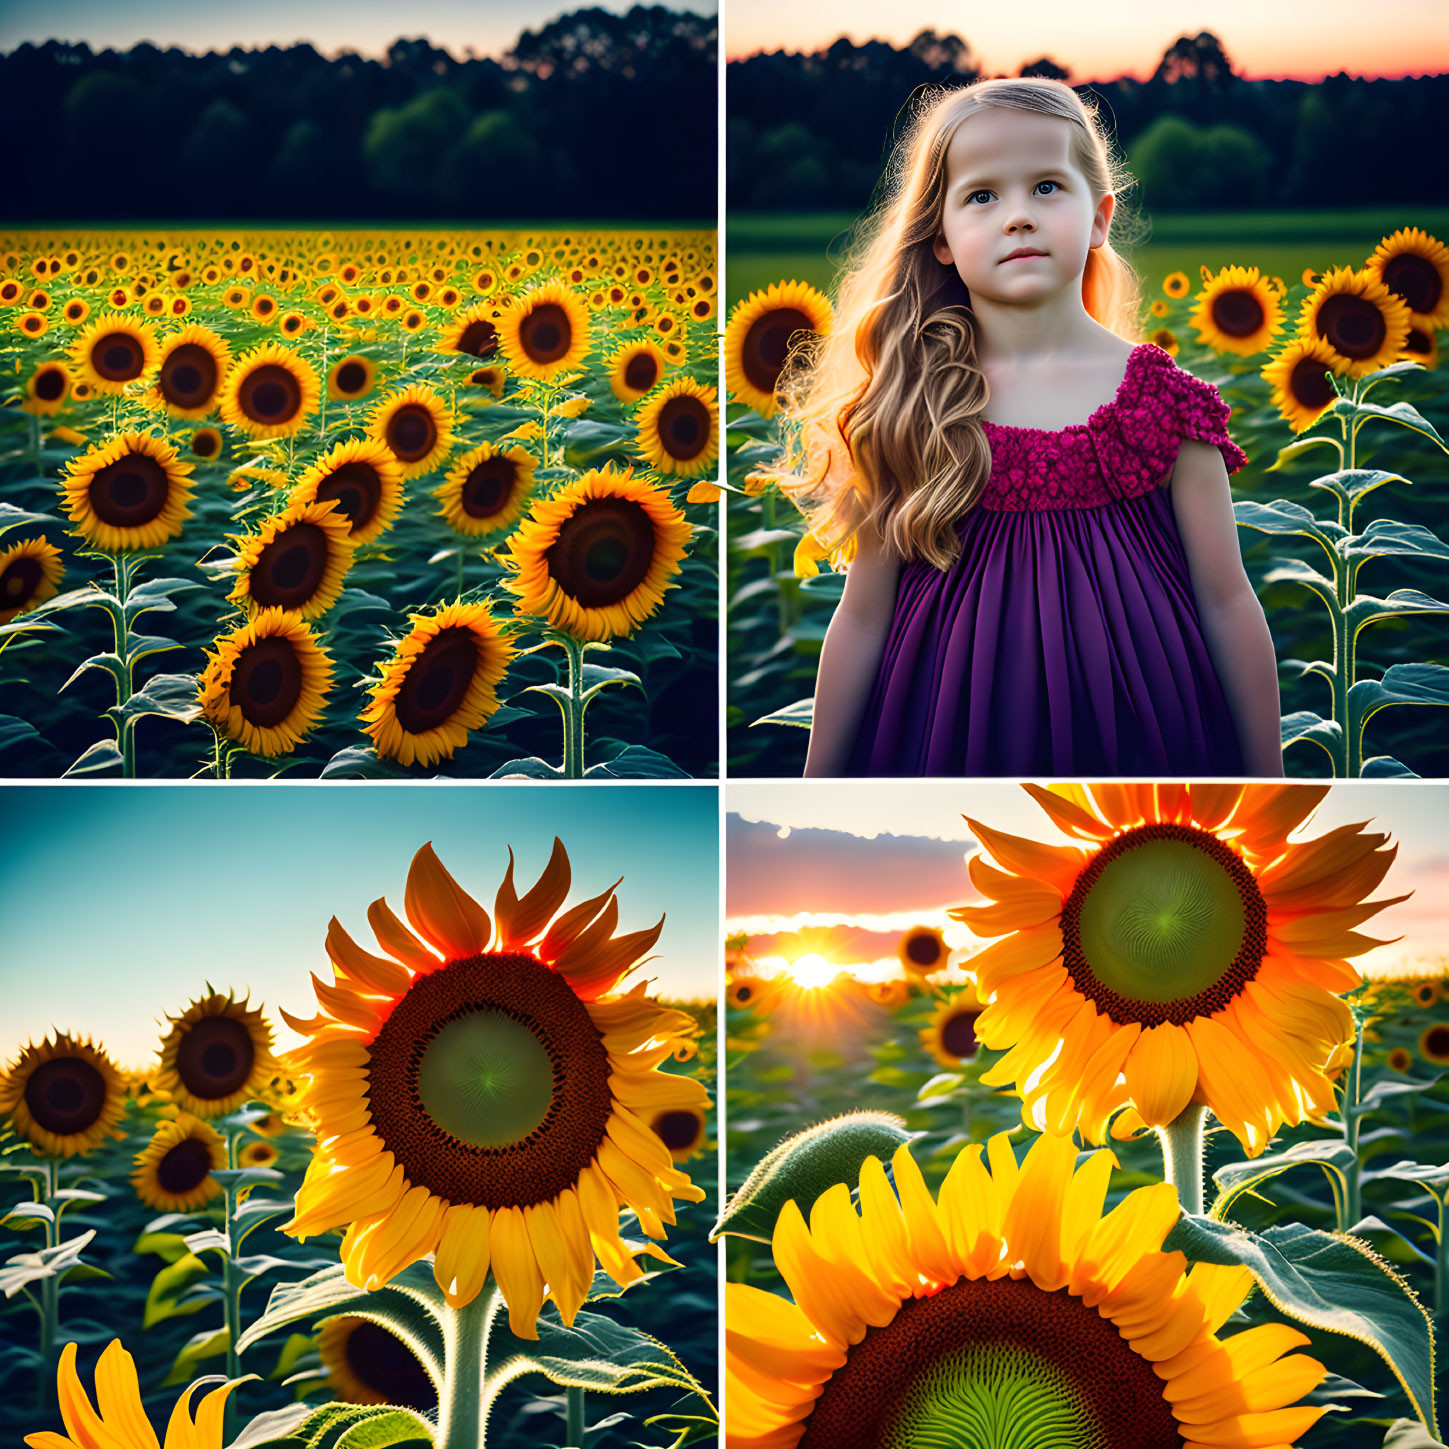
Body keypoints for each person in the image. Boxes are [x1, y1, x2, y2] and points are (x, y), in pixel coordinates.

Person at [769, 78, 1282, 778]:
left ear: (1099, 217)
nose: (1017, 216)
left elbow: (1224, 597)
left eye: (1046, 187)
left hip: (1147, 729)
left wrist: (1267, 777)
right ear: (940, 237)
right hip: (943, 727)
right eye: (981, 196)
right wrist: (817, 786)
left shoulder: (1164, 401)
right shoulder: (910, 401)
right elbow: (862, 619)